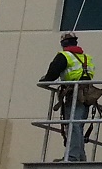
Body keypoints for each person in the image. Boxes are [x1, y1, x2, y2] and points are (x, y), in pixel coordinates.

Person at [40, 33, 95, 161]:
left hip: (74, 93)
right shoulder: (86, 57)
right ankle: (80, 156)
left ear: (63, 44)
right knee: (78, 125)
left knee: (73, 125)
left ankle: (72, 156)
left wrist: (44, 80)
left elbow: (52, 74)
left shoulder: (64, 56)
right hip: (87, 94)